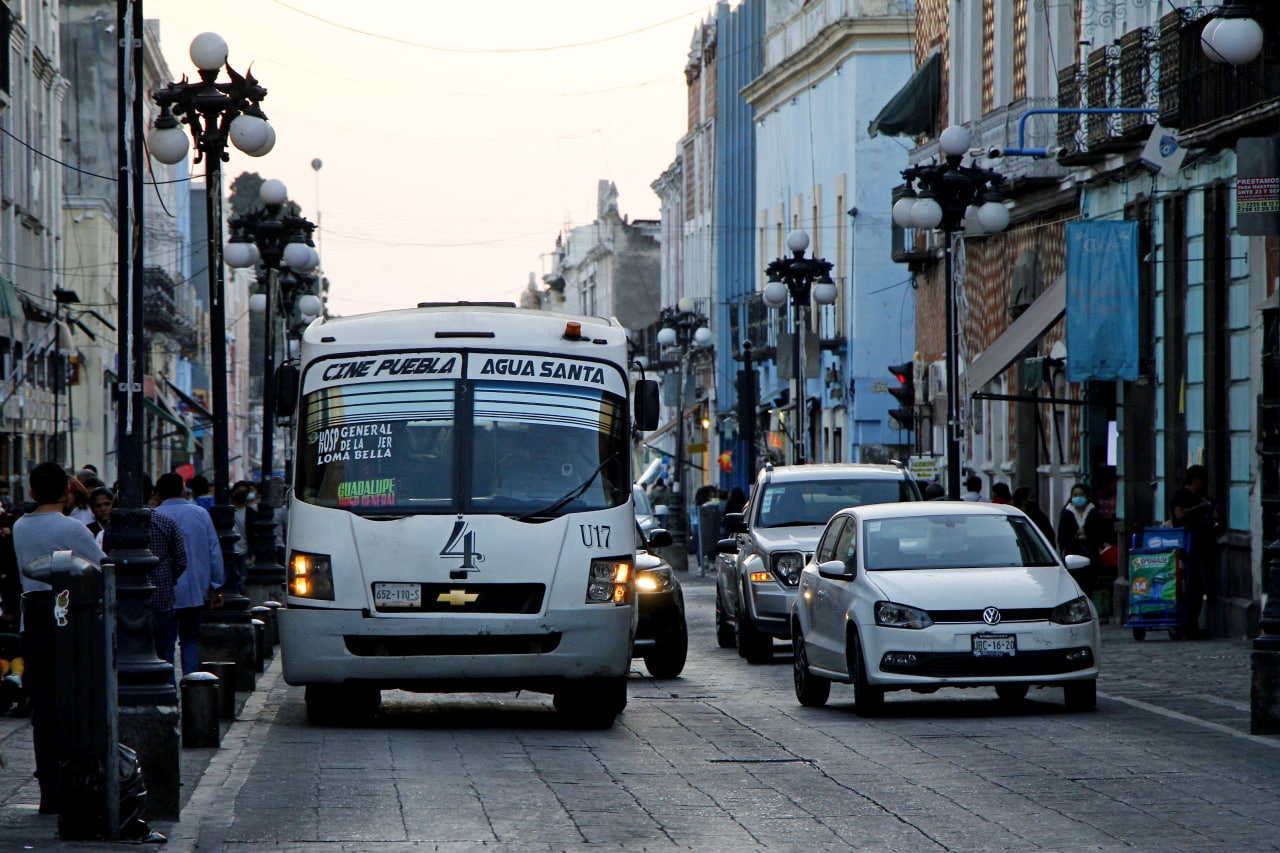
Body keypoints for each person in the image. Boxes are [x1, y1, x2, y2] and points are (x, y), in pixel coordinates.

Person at [12, 462, 106, 814]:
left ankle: (49, 787)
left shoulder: (21, 527)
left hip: (32, 620)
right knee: (75, 701)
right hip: (70, 620)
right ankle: (76, 780)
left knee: (44, 708)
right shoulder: (73, 528)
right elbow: (101, 567)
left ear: (32, 492)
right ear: (67, 491)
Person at [153, 472, 225, 678]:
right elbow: (213, 550)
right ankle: (191, 683)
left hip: (163, 590)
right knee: (190, 640)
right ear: (183, 490)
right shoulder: (200, 514)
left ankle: (167, 688)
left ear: (158, 494)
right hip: (195, 589)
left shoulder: (154, 515)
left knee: (165, 645)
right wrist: (217, 585)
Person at [1170, 464, 1218, 639]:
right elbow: (1179, 515)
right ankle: (1186, 625)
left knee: (1198, 588)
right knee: (1188, 587)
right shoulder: (1181, 495)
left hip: (1202, 545)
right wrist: (1199, 508)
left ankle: (1193, 625)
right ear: (1196, 479)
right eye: (1203, 479)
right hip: (1186, 547)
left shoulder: (1202, 497)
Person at [146, 507, 189, 676]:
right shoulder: (165, 522)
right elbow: (181, 560)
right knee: (166, 653)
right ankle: (168, 690)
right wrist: (169, 578)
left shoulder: (118, 525)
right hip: (162, 596)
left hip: (128, 604)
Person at [1057, 482, 1106, 599]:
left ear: (1087, 496)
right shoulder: (1067, 513)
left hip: (1091, 555)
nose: (1078, 497)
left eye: (1081, 494)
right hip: (1072, 554)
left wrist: (1087, 535)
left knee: (1089, 585)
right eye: (1075, 495)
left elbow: (1101, 533)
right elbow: (1062, 536)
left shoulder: (1094, 512)